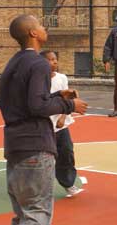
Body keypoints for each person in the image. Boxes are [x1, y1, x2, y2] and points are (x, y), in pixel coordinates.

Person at [0, 15, 88, 225]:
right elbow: (37, 106)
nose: (44, 26)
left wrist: (57, 97)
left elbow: (19, 102)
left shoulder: (12, 63)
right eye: (39, 24)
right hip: (35, 145)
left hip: (14, 145)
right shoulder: (39, 64)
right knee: (36, 214)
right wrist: (70, 105)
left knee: (23, 215)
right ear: (33, 33)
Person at [40, 50, 83, 197]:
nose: (55, 62)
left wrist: (63, 117)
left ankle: (68, 183)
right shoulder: (38, 81)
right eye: (51, 60)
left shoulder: (62, 78)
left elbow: (68, 99)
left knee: (66, 153)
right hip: (45, 128)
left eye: (55, 59)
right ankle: (41, 187)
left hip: (60, 126)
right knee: (45, 158)